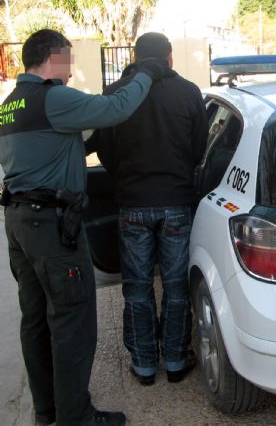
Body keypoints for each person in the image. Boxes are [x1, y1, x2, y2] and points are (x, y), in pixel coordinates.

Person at [0, 29, 165, 426]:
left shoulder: (10, 104)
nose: (71, 72)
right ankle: (77, 418)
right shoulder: (53, 97)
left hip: (19, 223)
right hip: (52, 226)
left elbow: (47, 150)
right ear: (53, 57)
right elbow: (116, 108)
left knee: (36, 320)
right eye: (69, 62)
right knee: (72, 321)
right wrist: (145, 73)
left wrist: (79, 148)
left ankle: (47, 411)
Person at [93, 32, 207, 386]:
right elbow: (199, 149)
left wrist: (126, 178)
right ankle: (174, 360)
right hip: (176, 202)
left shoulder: (114, 94)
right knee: (175, 287)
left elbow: (105, 152)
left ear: (136, 56)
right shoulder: (189, 92)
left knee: (137, 287)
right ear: (169, 57)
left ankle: (144, 364)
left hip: (132, 204)